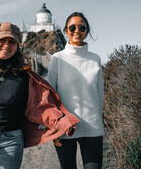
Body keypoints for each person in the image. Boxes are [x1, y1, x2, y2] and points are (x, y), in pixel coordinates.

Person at [0, 22, 79, 169]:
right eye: (2, 40)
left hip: (11, 141)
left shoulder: (24, 76)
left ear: (17, 45)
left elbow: (40, 107)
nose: (6, 45)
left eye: (12, 42)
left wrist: (60, 125)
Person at [47, 12, 104, 169]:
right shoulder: (57, 59)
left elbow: (100, 95)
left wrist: (100, 123)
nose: (76, 30)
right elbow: (50, 96)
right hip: (65, 127)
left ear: (87, 31)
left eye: (81, 27)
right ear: (66, 31)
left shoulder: (96, 59)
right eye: (72, 27)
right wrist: (53, 129)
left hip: (93, 128)